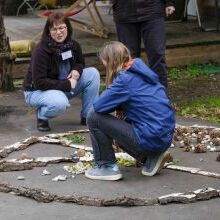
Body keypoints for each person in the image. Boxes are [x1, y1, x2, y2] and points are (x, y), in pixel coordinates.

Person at [85, 41, 175, 181]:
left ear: (111, 62)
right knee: (120, 121)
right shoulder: (141, 70)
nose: (103, 66)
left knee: (93, 117)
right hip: (164, 136)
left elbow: (98, 107)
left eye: (104, 62)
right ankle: (151, 158)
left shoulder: (124, 80)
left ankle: (106, 166)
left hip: (150, 137)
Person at [23, 12, 100, 131]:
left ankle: (88, 117)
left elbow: (80, 62)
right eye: (54, 29)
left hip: (62, 85)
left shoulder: (73, 45)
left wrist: (76, 70)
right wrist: (68, 84)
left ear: (67, 28)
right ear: (48, 31)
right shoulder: (41, 51)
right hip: (37, 91)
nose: (59, 32)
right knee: (60, 103)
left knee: (93, 73)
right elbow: (39, 82)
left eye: (61, 28)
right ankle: (42, 115)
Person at [111, 0, 175, 88]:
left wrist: (169, 2)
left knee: (157, 54)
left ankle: (160, 96)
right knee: (128, 59)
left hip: (152, 10)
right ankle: (133, 97)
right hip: (124, 12)